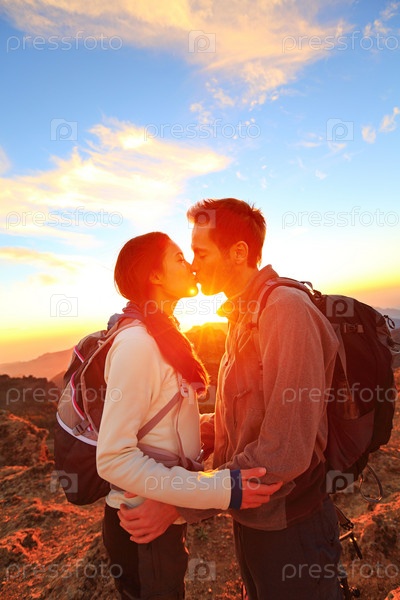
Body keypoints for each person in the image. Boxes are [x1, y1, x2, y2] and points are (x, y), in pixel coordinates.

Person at [118, 201, 343, 599]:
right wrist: (178, 437)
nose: (193, 265)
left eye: (201, 253)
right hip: (253, 520)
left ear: (239, 252)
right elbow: (241, 417)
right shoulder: (242, 315)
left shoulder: (284, 311)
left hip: (291, 527)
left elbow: (284, 452)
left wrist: (178, 504)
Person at [96, 231, 282, 600]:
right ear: (155, 276)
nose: (192, 267)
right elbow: (113, 458)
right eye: (180, 258)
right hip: (139, 525)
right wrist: (221, 489)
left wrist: (220, 427)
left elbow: (165, 427)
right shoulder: (138, 345)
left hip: (155, 515)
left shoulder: (163, 335)